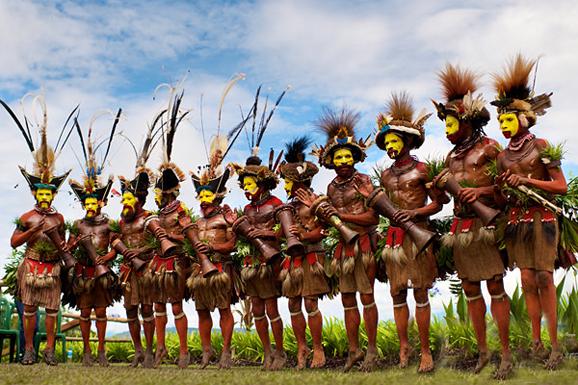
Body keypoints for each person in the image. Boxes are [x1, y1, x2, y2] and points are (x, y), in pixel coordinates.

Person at [431, 64, 512, 379]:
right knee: (469, 288)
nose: (447, 128)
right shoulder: (451, 158)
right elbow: (449, 198)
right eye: (446, 123)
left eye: (451, 122)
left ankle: (505, 355)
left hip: (486, 226)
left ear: (468, 122)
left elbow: (507, 187)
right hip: (461, 229)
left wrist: (482, 190)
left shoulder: (491, 148)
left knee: (495, 286)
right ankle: (483, 352)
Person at [492, 55, 567, 370]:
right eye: (501, 122)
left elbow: (561, 186)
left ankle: (555, 345)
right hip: (516, 222)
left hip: (543, 218)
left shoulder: (543, 146)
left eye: (508, 119)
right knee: (525, 279)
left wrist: (527, 180)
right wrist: (501, 188)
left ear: (524, 119)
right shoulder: (501, 157)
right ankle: (535, 342)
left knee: (544, 278)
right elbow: (500, 198)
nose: (504, 125)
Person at [298, 107, 378, 372]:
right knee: (347, 299)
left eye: (347, 156)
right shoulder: (331, 187)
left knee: (367, 297)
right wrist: (317, 209)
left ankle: (372, 351)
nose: (343, 160)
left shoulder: (364, 180)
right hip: (343, 249)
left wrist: (341, 214)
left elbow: (372, 218)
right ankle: (353, 351)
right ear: (330, 161)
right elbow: (328, 222)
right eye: (338, 157)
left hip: (364, 244)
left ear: (354, 158)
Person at [372, 92, 440, 372]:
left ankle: (426, 352)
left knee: (421, 293)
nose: (390, 146)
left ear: (407, 142)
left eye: (394, 141)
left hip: (418, 235)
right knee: (397, 295)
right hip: (394, 240)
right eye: (387, 142)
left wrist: (414, 213)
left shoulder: (423, 170)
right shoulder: (385, 176)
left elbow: (437, 203)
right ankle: (404, 348)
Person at [4, 95, 72, 365]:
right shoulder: (28, 216)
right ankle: (29, 349)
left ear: (54, 195)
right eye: (41, 193)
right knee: (30, 310)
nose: (45, 197)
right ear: (34, 192)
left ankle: (50, 351)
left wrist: (67, 249)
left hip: (52, 267)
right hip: (31, 266)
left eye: (49, 194)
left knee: (53, 311)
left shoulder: (61, 217)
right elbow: (13, 242)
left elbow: (63, 244)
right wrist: (32, 232)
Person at [67, 112, 120, 366]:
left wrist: (107, 258)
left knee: (101, 312)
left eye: (93, 201)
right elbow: (67, 248)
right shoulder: (77, 224)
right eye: (86, 201)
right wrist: (73, 245)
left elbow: (115, 248)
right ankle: (86, 352)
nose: (89, 205)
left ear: (101, 202)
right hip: (82, 274)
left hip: (101, 274)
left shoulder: (108, 224)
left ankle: (101, 352)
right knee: (85, 312)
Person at [278, 136, 330, 369]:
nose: (284, 185)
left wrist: (305, 234)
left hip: (312, 257)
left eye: (287, 181)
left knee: (310, 304)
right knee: (292, 304)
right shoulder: (287, 207)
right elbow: (282, 234)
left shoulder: (317, 200)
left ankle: (318, 349)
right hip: (294, 262)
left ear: (298, 181)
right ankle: (302, 348)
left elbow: (327, 230)